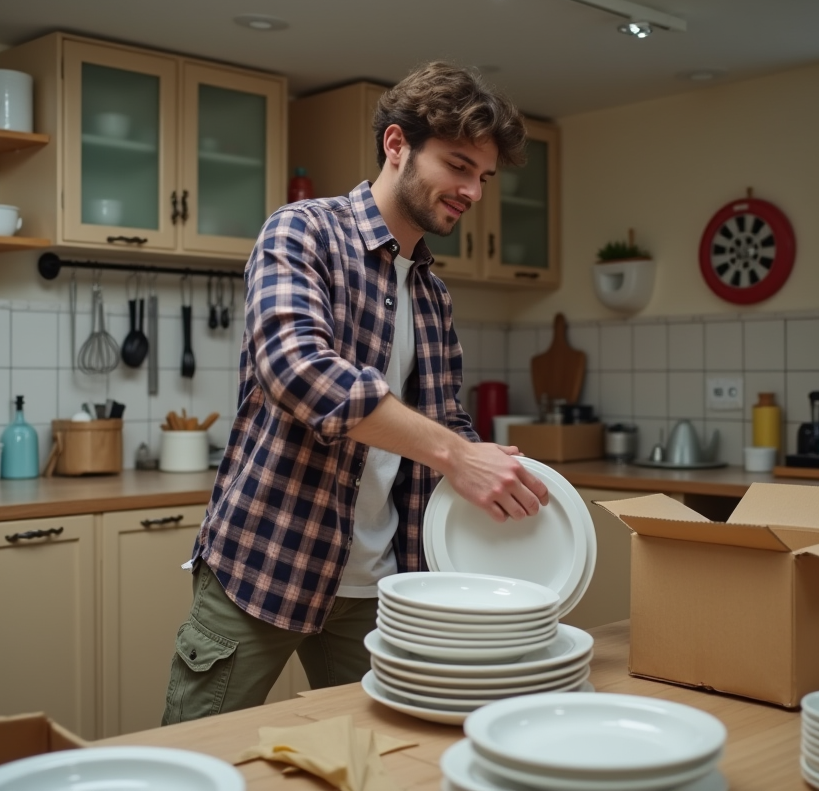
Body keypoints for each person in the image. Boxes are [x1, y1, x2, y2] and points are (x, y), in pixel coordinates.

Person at [162, 61, 550, 723]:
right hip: (265, 562)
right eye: (458, 166)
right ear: (396, 144)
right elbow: (300, 371)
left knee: (387, 755)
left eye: (483, 177)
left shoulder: (430, 291)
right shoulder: (302, 231)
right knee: (193, 751)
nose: (473, 191)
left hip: (381, 583)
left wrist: (493, 470)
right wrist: (457, 456)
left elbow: (445, 420)